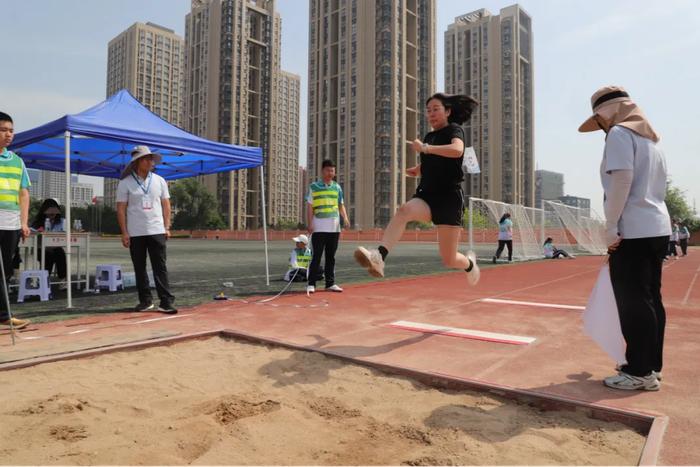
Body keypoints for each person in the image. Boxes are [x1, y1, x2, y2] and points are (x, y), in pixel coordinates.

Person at [579, 85, 670, 391]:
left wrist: (610, 225)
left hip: (633, 228)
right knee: (650, 298)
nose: (601, 126)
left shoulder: (619, 134)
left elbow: (621, 180)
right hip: (657, 226)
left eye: (600, 119)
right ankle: (651, 366)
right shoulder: (651, 141)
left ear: (608, 112)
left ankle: (639, 371)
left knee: (633, 302)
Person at [353, 93, 480, 285]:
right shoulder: (430, 136)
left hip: (449, 200)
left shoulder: (454, 130)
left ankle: (470, 265)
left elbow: (457, 151)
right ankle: (379, 257)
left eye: (436, 109)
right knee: (404, 211)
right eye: (428, 111)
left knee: (449, 259)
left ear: (448, 111)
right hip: (427, 196)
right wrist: (418, 169)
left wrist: (426, 148)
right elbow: (434, 161)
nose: (431, 114)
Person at [116, 145, 176, 314]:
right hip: (135, 232)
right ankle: (145, 301)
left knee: (160, 267)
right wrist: (124, 232)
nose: (151, 162)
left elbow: (166, 204)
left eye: (151, 159)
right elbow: (120, 209)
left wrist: (167, 226)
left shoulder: (159, 180)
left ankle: (166, 301)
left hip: (157, 230)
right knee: (139, 268)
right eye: (147, 159)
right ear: (137, 162)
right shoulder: (125, 183)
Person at [0, 111, 31, 329]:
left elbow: (24, 193)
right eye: (3, 130)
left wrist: (23, 222)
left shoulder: (18, 161)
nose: (8, 134)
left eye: (11, 130)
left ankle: (3, 315)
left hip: (10, 223)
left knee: (7, 269)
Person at [305, 159, 350, 294]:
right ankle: (311, 284)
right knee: (316, 256)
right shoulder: (314, 187)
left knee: (331, 257)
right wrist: (310, 223)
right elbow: (309, 206)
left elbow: (341, 204)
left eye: (332, 170)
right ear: (322, 171)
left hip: (334, 228)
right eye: (327, 170)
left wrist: (345, 218)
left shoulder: (337, 187)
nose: (330, 173)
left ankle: (330, 283)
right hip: (318, 227)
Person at [31, 198, 68, 290]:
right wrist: (37, 231)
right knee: (48, 256)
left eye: (54, 212)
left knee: (60, 253)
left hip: (55, 247)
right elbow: (30, 231)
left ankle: (63, 280)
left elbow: (65, 233)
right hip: (40, 249)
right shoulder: (38, 222)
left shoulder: (62, 221)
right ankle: (44, 280)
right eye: (50, 212)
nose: (52, 214)